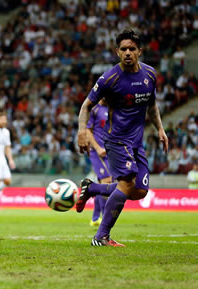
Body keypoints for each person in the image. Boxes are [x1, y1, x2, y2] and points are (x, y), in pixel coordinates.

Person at [76, 29, 168, 247]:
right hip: (117, 140)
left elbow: (152, 105)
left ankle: (92, 188)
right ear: (117, 52)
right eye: (124, 49)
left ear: (140, 51)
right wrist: (82, 131)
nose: (128, 53)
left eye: (132, 49)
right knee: (126, 185)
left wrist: (161, 130)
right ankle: (101, 237)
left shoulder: (150, 75)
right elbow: (86, 106)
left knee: (139, 191)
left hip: (137, 142)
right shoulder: (109, 78)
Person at [86, 99, 113, 227]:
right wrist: (97, 148)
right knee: (106, 181)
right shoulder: (94, 109)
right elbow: (87, 131)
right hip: (98, 152)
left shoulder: (113, 108)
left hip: (110, 152)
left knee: (103, 184)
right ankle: (104, 218)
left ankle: (95, 218)